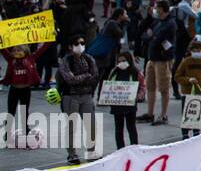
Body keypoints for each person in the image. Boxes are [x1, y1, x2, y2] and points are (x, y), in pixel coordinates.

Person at [57, 35, 98, 163]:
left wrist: (79, 77)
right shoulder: (66, 61)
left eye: (82, 42)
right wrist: (86, 76)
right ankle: (72, 154)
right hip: (70, 97)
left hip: (86, 96)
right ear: (70, 47)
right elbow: (69, 79)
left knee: (91, 125)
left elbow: (95, 75)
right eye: (77, 43)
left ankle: (91, 151)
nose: (80, 45)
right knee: (71, 126)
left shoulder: (89, 58)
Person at [139, 0, 177, 126]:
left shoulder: (170, 23)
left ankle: (163, 114)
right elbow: (146, 35)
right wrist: (151, 37)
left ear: (162, 8)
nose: (155, 9)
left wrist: (151, 37)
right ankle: (150, 113)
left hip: (163, 59)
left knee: (164, 87)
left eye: (157, 7)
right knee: (150, 86)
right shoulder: (157, 22)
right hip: (152, 58)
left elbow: (157, 38)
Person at [101, 50, 143, 151]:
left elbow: (142, 87)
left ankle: (135, 148)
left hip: (130, 105)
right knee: (118, 129)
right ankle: (120, 150)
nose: (121, 63)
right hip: (117, 105)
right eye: (119, 61)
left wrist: (138, 96)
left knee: (131, 127)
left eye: (124, 61)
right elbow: (108, 85)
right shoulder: (114, 71)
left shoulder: (136, 72)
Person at [174, 39, 201, 139]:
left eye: (199, 50)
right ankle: (185, 136)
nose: (197, 52)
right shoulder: (186, 62)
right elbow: (177, 77)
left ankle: (197, 136)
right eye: (195, 50)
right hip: (187, 94)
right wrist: (188, 80)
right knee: (187, 116)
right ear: (191, 51)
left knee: (197, 117)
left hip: (200, 94)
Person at [2, 42, 50, 123]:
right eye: (14, 50)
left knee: (24, 112)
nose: (16, 52)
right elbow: (2, 49)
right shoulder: (10, 59)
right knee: (10, 112)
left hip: (25, 90)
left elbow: (42, 49)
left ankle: (26, 130)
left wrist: (51, 39)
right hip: (14, 90)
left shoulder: (30, 58)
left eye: (19, 50)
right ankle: (7, 133)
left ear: (25, 51)